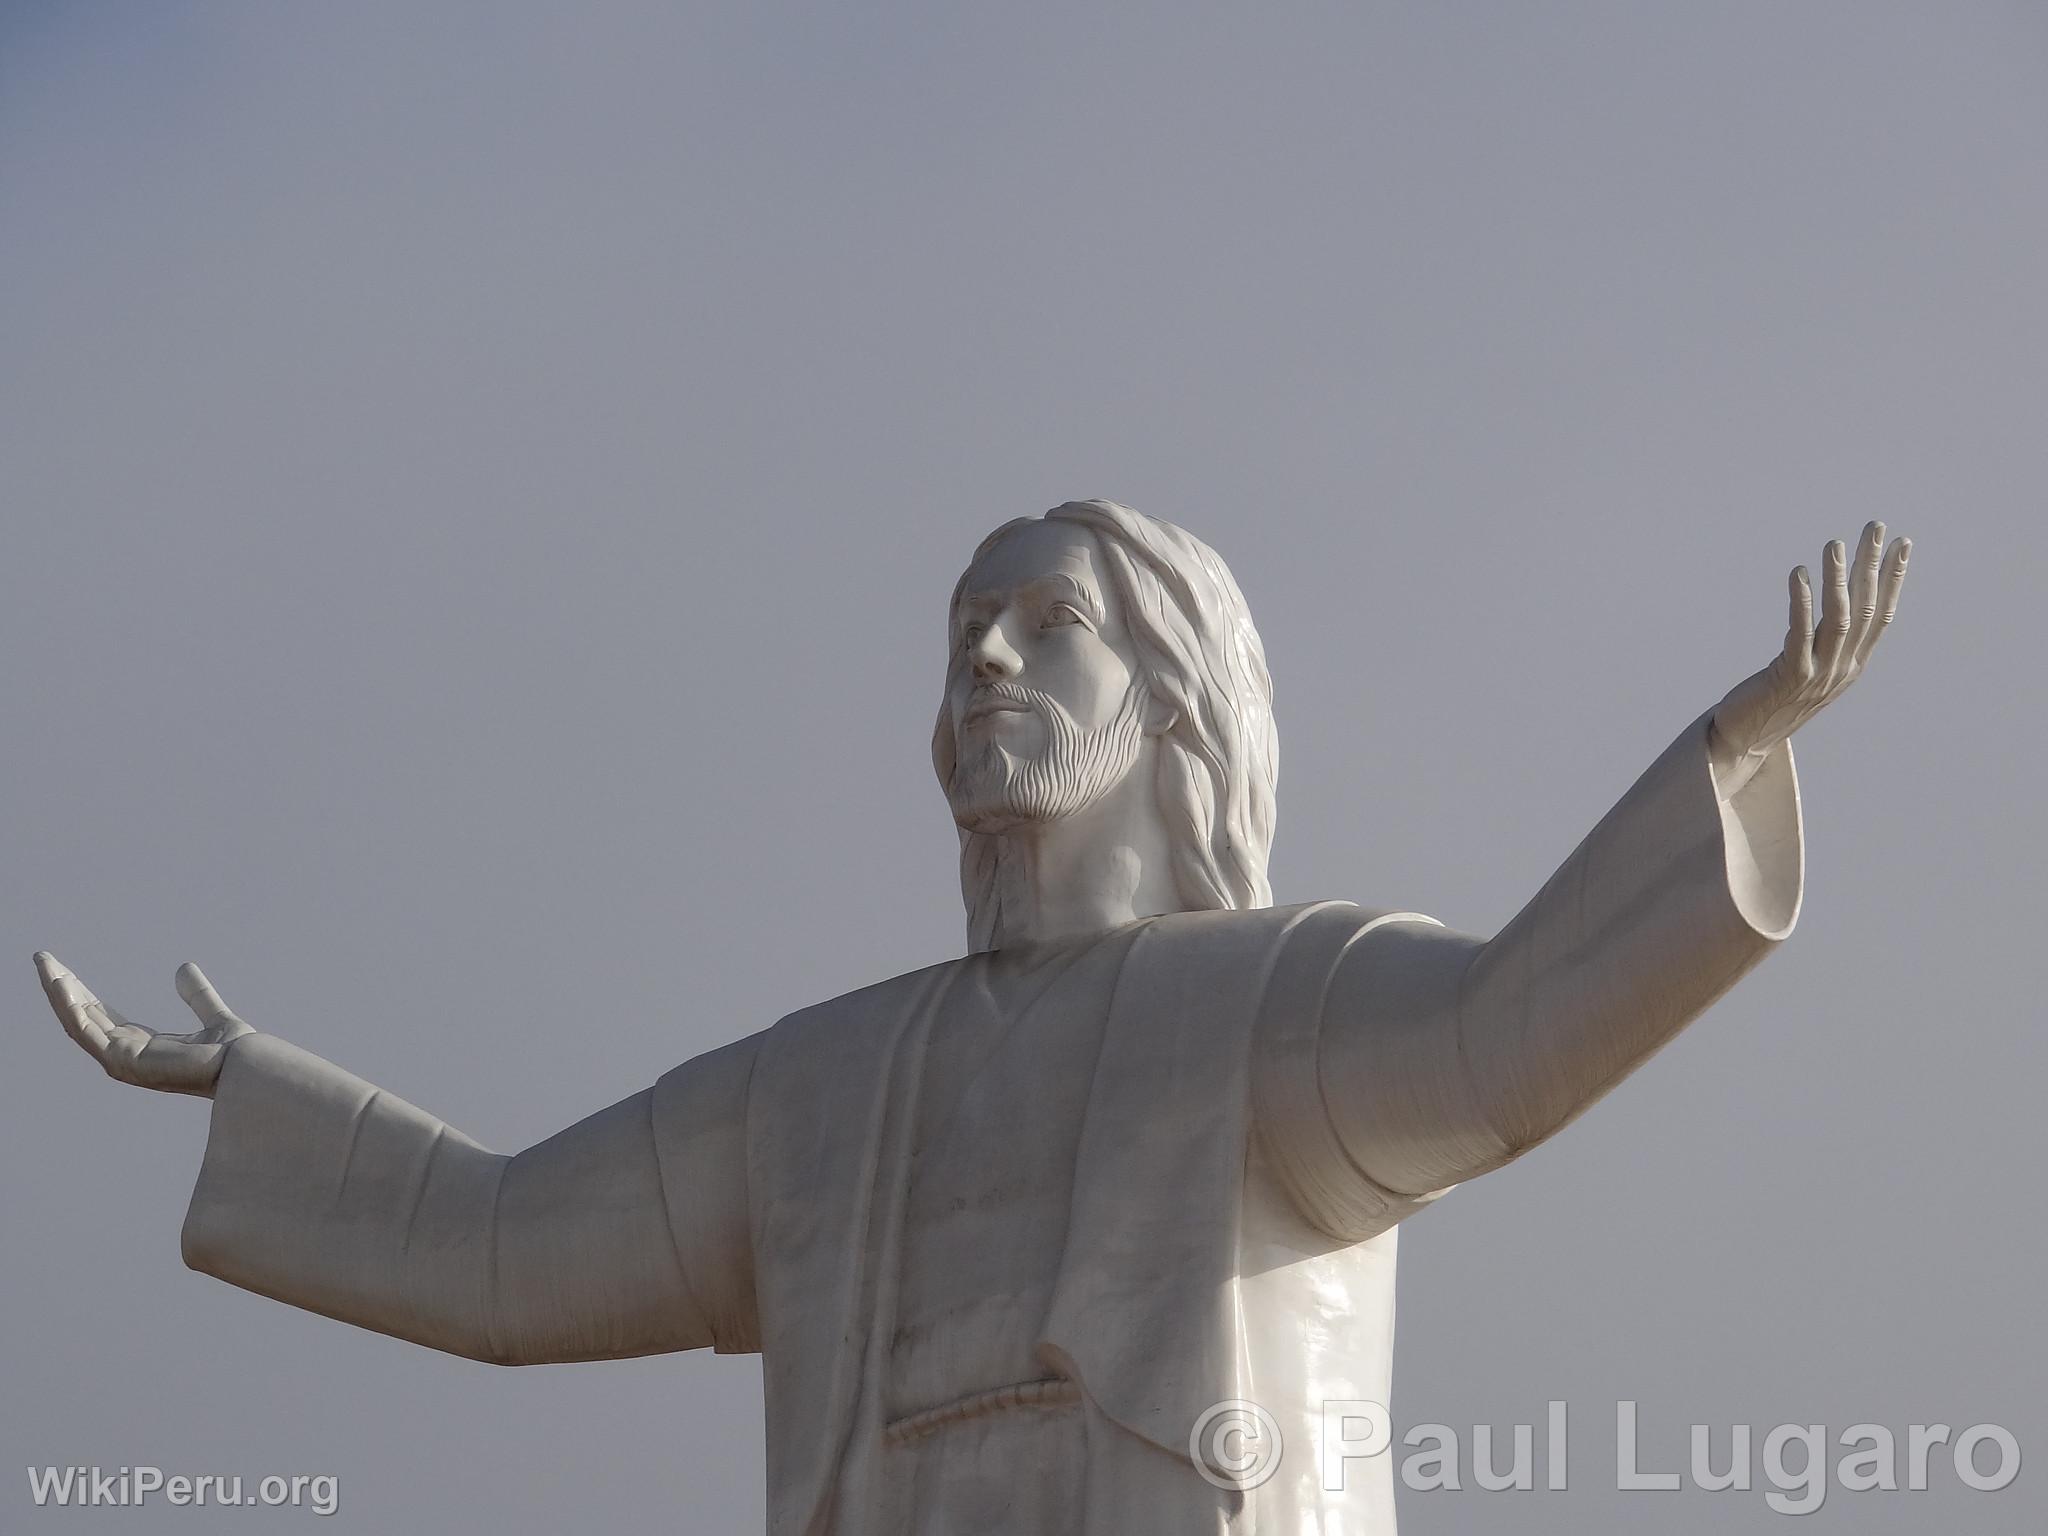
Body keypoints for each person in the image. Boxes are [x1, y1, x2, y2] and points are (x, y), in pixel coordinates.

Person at [38, 500, 1910, 1534]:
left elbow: (1511, 1035)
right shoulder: (819, 1085)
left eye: (1042, 620)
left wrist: (1728, 752)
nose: (984, 657)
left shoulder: (1270, 1003)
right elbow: (510, 1251)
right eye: (962, 631)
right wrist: (255, 1097)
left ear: (1176, 704)